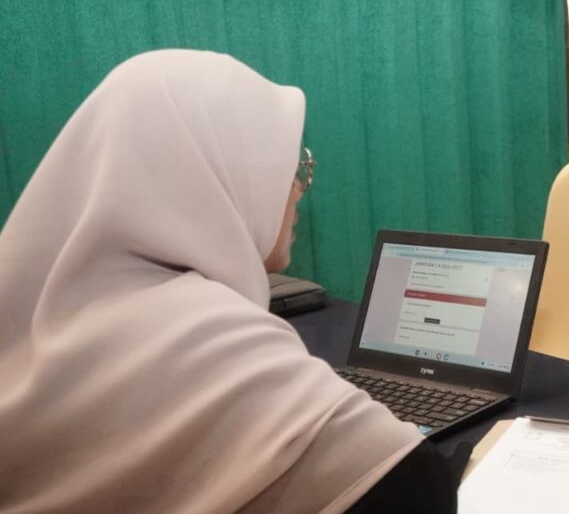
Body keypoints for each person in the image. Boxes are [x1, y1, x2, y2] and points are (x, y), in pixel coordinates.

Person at [0, 50, 463, 511]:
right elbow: (413, 483)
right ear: (213, 173)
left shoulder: (43, 330)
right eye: (287, 166)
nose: (298, 188)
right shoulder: (211, 349)